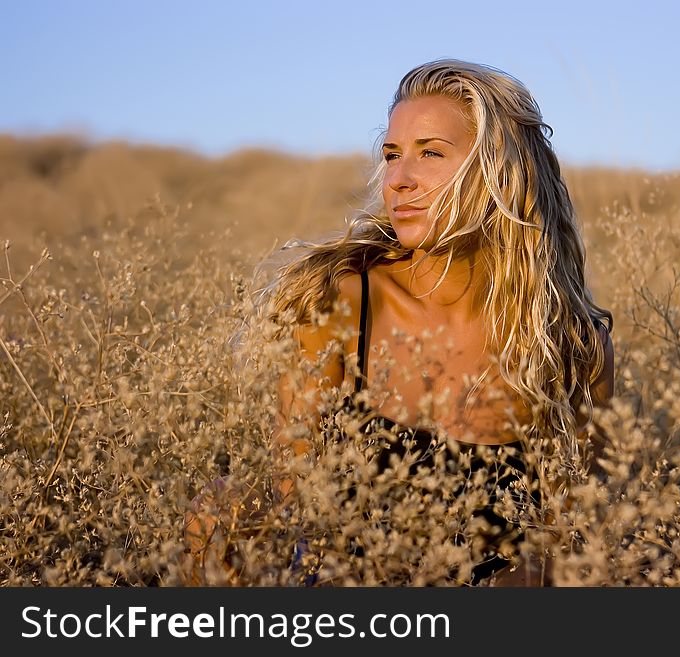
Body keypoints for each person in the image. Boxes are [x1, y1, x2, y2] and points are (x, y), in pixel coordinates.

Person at [185, 59, 614, 587]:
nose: (399, 179)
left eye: (430, 153)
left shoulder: (569, 345)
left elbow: (568, 541)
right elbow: (294, 502)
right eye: (391, 155)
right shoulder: (341, 304)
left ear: (499, 169)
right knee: (219, 506)